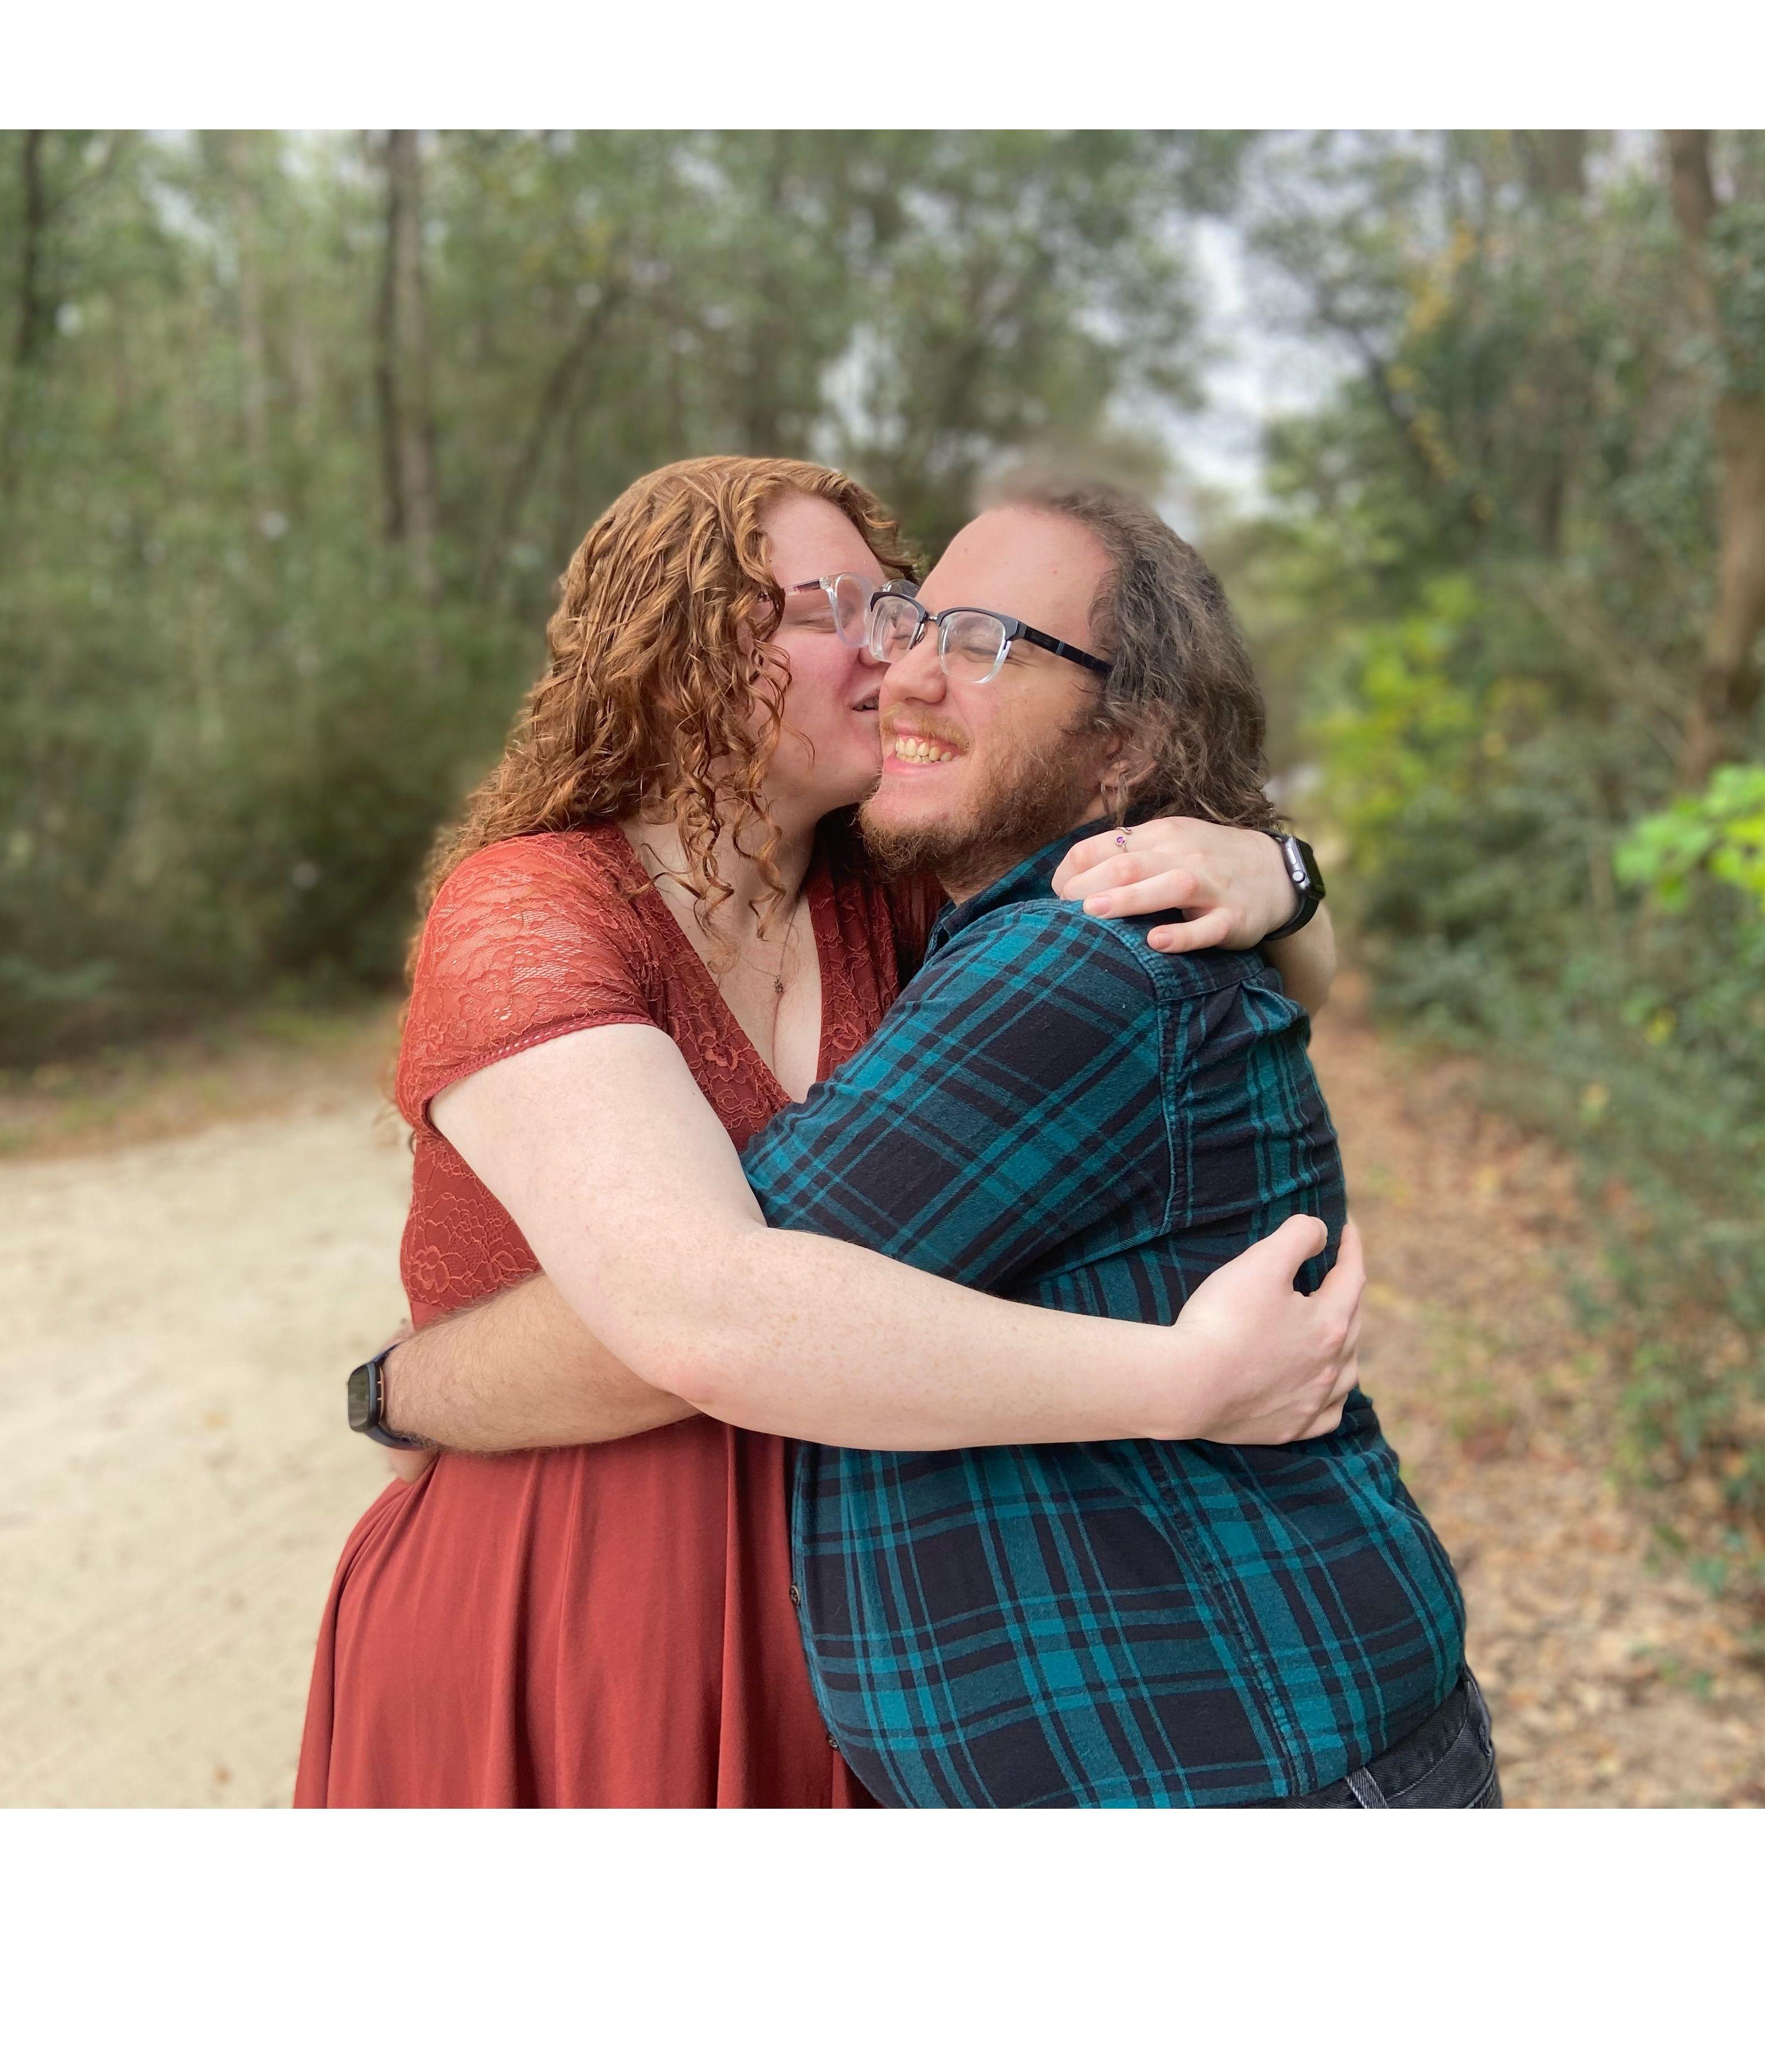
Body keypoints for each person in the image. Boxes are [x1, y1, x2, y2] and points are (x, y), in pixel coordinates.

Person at [295, 455, 1358, 1809]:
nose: (893, 652)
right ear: (676, 657)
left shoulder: (901, 891)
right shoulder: (531, 912)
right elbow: (697, 1312)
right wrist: (1182, 1381)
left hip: (859, 1603)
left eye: (897, 607)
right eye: (827, 612)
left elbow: (1237, 988)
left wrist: (1276, 873)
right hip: (569, 1589)